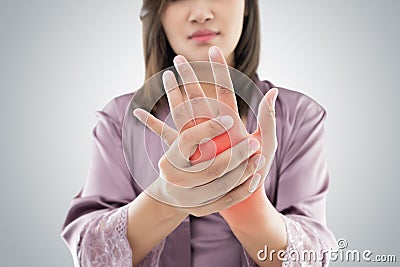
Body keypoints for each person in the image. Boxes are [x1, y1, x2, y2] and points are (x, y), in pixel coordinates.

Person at [61, 0, 337, 266]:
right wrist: (166, 198)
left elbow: (312, 258)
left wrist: (247, 204)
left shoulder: (298, 116)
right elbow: (89, 255)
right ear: (156, 11)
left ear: (247, 7)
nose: (201, 13)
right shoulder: (120, 120)